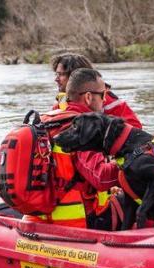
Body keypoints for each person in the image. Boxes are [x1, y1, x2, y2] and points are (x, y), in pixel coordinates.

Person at [30, 68, 122, 229]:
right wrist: (127, 162)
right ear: (88, 97)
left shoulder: (46, 120)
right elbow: (101, 178)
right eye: (103, 95)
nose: (105, 100)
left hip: (40, 215)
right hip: (77, 221)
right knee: (132, 201)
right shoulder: (84, 128)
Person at [51, 53, 142, 128]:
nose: (56, 79)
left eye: (61, 75)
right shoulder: (61, 101)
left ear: (77, 75)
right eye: (56, 74)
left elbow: (135, 129)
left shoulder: (108, 102)